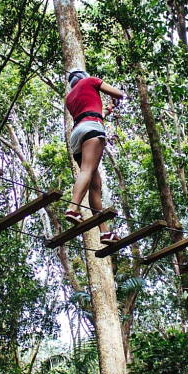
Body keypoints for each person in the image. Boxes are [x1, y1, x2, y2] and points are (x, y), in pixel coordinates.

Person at [64, 69, 126, 244]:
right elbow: (119, 94)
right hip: (92, 129)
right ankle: (73, 208)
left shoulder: (69, 98)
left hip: (77, 134)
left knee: (95, 184)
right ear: (84, 76)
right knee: (87, 170)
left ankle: (104, 232)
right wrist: (116, 98)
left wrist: (108, 109)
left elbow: (89, 112)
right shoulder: (91, 81)